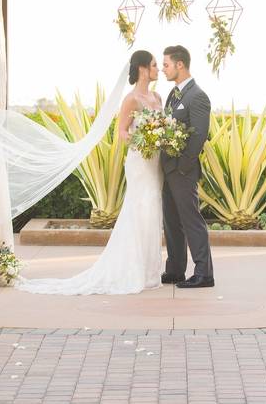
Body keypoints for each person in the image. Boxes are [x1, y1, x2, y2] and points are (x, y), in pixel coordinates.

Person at [14, 50, 165, 295]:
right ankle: (132, 269)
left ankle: (150, 271)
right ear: (142, 69)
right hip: (140, 161)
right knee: (139, 210)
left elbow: (163, 125)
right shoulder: (131, 99)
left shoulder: (158, 96)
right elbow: (123, 133)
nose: (158, 70)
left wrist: (161, 136)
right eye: (155, 65)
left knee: (153, 211)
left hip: (155, 163)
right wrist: (144, 139)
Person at [159, 45, 214, 288]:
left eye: (166, 64)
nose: (163, 69)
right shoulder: (173, 94)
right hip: (169, 170)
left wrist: (182, 166)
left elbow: (199, 135)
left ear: (180, 64)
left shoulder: (198, 96)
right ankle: (175, 270)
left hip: (183, 170)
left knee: (191, 221)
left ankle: (204, 273)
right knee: (171, 221)